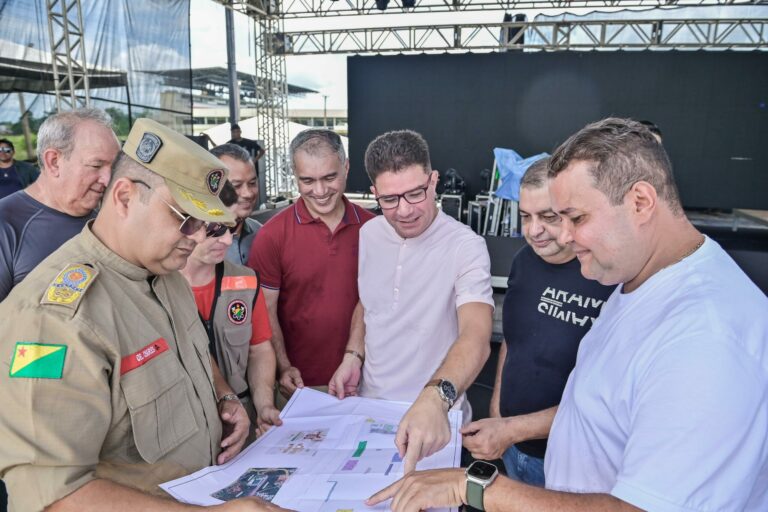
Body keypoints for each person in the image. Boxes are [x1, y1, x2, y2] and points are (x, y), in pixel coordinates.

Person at [367, 118, 768, 512]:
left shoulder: (706, 337)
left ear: (641, 202)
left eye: (575, 218)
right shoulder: (637, 282)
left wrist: (471, 487)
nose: (563, 237)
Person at [0, 118, 288, 512]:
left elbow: (193, 351)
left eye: (205, 224)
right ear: (124, 197)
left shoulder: (166, 275)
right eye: (185, 220)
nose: (197, 238)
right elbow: (53, 495)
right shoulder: (53, 320)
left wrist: (222, 396)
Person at [329, 129, 494, 474]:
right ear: (373, 193)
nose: (404, 210)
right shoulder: (369, 233)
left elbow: (476, 337)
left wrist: (436, 399)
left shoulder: (466, 246)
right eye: (389, 199)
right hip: (370, 412)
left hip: (434, 422)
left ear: (434, 181)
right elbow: (368, 301)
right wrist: (352, 354)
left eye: (416, 194)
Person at [461, 157, 614, 487]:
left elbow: (607, 398)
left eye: (548, 217)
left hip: (574, 460)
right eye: (525, 216)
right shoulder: (524, 261)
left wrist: (511, 428)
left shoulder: (608, 276)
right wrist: (498, 411)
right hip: (513, 448)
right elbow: (514, 342)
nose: (533, 230)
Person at [248, 128, 375, 406]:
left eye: (330, 177)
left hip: (370, 380)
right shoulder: (272, 236)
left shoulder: (374, 229)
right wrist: (283, 366)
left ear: (346, 167)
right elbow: (264, 311)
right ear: (294, 175)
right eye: (307, 180)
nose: (319, 191)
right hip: (301, 386)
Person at [181, 180, 282, 439]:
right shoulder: (153, 286)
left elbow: (259, 349)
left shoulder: (246, 281)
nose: (227, 240)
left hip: (242, 419)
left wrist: (264, 405)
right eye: (215, 229)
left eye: (231, 227)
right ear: (185, 223)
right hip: (186, 427)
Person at [0, 108, 120, 302]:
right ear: (54, 162)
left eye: (113, 167)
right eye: (96, 166)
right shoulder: (6, 223)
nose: (108, 179)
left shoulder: (106, 217)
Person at [211, 144, 262, 265]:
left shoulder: (261, 233)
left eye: (252, 183)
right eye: (236, 186)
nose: (248, 194)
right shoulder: (193, 241)